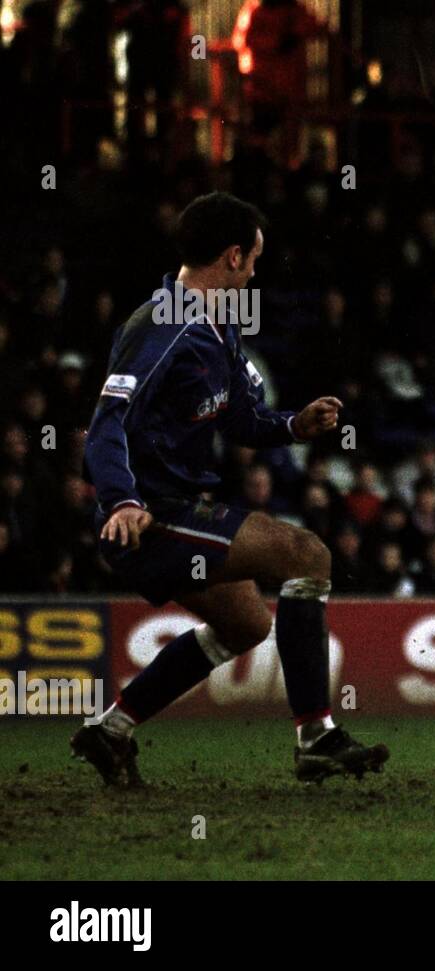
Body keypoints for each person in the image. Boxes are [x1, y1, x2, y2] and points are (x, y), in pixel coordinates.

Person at [75, 192, 388, 786]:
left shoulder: (219, 328)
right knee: (308, 555)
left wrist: (294, 425)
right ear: (235, 256)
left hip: (182, 507)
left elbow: (243, 419)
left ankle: (109, 730)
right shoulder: (163, 322)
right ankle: (317, 736)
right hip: (151, 515)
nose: (257, 272)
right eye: (255, 260)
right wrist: (122, 499)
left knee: (246, 623)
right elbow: (107, 421)